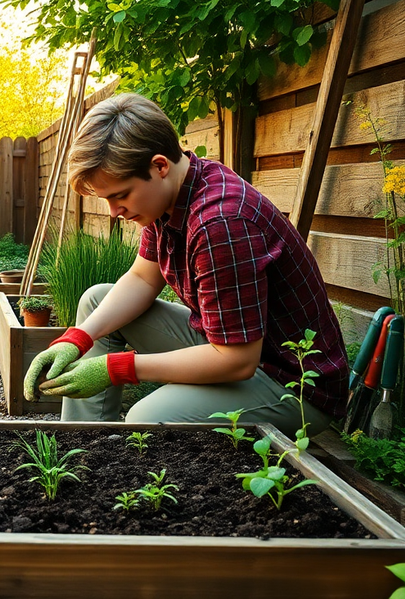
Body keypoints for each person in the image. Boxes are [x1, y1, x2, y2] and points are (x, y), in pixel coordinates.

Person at [23, 93, 348, 438]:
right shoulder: (170, 195)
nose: (112, 211)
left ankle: (128, 471)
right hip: (234, 346)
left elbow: (236, 360)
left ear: (159, 166)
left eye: (119, 195)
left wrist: (116, 368)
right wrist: (77, 339)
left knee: (146, 419)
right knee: (96, 300)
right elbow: (143, 278)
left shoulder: (219, 224)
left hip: (292, 384)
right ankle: (82, 449)